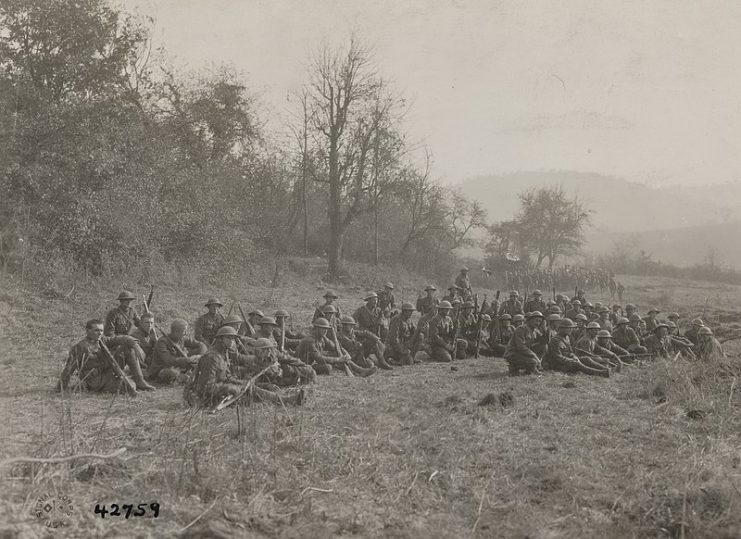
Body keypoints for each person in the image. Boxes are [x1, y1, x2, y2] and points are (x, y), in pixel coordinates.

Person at [59, 319, 154, 394]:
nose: (99, 333)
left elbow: (120, 338)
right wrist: (60, 388)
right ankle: (85, 386)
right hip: (95, 381)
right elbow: (68, 369)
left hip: (108, 373)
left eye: (101, 330)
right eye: (96, 330)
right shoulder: (80, 347)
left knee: (127, 348)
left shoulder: (102, 340)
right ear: (87, 331)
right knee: (130, 386)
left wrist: (134, 344)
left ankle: (140, 380)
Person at [542, 319, 610, 377]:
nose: (571, 330)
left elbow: (570, 351)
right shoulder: (555, 340)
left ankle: (605, 369)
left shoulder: (567, 337)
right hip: (557, 365)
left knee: (586, 359)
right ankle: (601, 373)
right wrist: (571, 360)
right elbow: (557, 358)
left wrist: (574, 356)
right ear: (562, 328)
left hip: (566, 361)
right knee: (576, 364)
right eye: (569, 328)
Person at [148, 319, 207, 384]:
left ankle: (187, 376)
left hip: (178, 366)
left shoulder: (183, 338)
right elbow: (169, 360)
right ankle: (186, 377)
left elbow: (202, 345)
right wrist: (187, 360)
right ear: (176, 332)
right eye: (184, 331)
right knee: (170, 373)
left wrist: (199, 356)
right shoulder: (162, 342)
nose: (186, 333)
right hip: (161, 369)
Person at [503, 311, 544, 375]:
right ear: (530, 320)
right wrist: (534, 356)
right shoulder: (521, 329)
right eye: (536, 320)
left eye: (539, 321)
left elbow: (542, 340)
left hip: (523, 353)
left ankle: (533, 367)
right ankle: (514, 366)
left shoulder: (534, 330)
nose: (537, 323)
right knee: (533, 362)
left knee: (544, 346)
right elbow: (521, 347)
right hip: (513, 353)